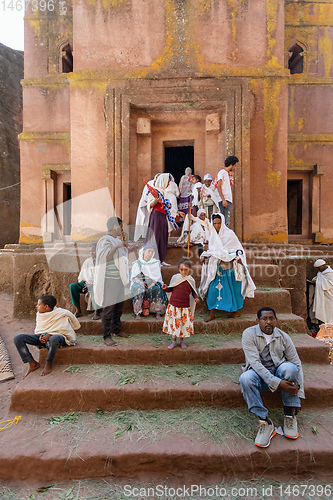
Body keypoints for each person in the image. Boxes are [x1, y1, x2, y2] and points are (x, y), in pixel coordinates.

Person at [239, 307, 305, 448]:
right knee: (245, 378)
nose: (268, 322)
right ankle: (265, 421)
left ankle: (289, 414)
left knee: (291, 368)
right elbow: (255, 364)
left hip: (277, 372)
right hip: (258, 374)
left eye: (271, 318)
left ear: (276, 320)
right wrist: (278, 383)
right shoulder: (248, 334)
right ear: (258, 321)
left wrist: (299, 395)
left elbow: (296, 362)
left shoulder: (283, 336)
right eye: (264, 319)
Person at [199, 213, 255, 322]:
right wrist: (204, 256)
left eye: (219, 223)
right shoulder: (213, 236)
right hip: (217, 268)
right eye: (214, 223)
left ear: (223, 222)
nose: (217, 225)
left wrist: (238, 257)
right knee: (212, 290)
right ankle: (212, 313)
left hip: (229, 268)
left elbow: (239, 250)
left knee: (234, 290)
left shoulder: (230, 234)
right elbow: (213, 251)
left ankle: (237, 311)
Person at [13, 295, 80, 377]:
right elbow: (41, 329)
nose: (36, 306)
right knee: (18, 338)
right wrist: (42, 336)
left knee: (54, 338)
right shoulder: (40, 314)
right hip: (45, 339)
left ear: (46, 307)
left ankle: (49, 362)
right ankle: (32, 363)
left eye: (39, 304)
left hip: (60, 338)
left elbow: (68, 327)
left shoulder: (61, 313)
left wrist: (50, 334)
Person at [94, 217, 131, 346]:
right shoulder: (104, 240)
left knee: (118, 308)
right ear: (115, 226)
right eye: (120, 226)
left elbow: (122, 259)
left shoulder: (116, 241)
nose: (122, 229)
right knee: (108, 309)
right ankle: (106, 336)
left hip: (119, 280)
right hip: (110, 280)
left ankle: (117, 330)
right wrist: (116, 247)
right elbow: (105, 258)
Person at [146, 173, 184, 266]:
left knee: (163, 237)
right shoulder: (154, 192)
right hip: (156, 217)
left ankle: (161, 259)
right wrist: (156, 200)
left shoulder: (165, 192)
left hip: (163, 217)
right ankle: (154, 259)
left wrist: (178, 213)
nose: (168, 184)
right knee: (155, 237)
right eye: (167, 182)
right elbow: (149, 205)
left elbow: (168, 208)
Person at [162, 258, 199, 349]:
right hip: (174, 306)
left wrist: (196, 298)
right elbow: (170, 289)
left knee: (183, 324)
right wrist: (165, 288)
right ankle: (174, 341)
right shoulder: (175, 278)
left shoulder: (190, 280)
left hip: (184, 307)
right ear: (179, 270)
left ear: (189, 269)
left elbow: (193, 292)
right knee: (174, 324)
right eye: (181, 269)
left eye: (186, 269)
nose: (183, 272)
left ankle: (182, 341)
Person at [130, 244, 168, 320]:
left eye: (152, 252)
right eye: (149, 251)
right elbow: (134, 277)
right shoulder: (137, 263)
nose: (150, 253)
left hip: (153, 282)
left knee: (158, 289)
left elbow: (157, 277)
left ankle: (158, 312)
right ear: (144, 251)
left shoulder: (156, 263)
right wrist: (140, 283)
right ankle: (138, 312)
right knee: (138, 289)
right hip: (140, 282)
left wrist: (150, 283)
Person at [69, 244, 102, 320]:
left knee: (95, 287)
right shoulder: (87, 262)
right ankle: (78, 310)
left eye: (93, 250)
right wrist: (85, 286)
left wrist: (92, 285)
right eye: (90, 251)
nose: (92, 253)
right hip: (87, 284)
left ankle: (97, 312)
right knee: (72, 286)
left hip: (99, 285)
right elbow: (82, 277)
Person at [134, 174, 160, 241]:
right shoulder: (150, 184)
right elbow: (145, 198)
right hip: (147, 208)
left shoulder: (162, 185)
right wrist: (153, 201)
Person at [214, 155, 239, 227]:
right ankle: (223, 237)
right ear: (231, 165)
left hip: (227, 199)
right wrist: (223, 200)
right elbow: (219, 186)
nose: (235, 167)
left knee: (226, 220)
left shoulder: (227, 174)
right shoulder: (222, 172)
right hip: (224, 200)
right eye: (235, 165)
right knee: (224, 221)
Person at [311, 259, 333, 324]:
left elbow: (330, 284)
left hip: (329, 296)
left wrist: (317, 282)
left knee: (329, 313)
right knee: (323, 311)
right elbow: (319, 279)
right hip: (322, 296)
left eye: (318, 268)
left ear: (323, 265)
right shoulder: (321, 273)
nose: (318, 270)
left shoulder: (330, 273)